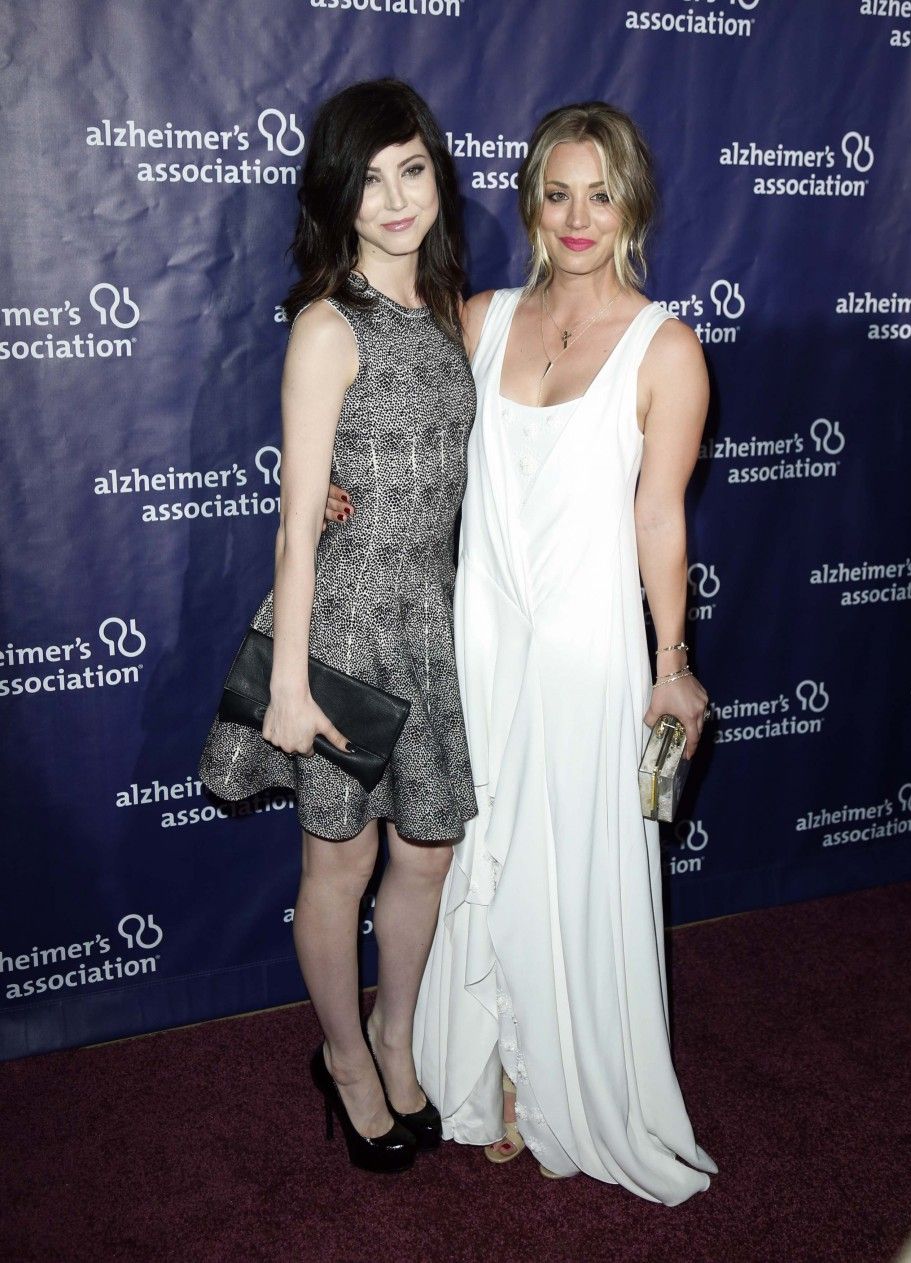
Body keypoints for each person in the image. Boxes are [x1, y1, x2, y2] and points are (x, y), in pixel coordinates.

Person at [410, 101, 718, 1202]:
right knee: (477, 846)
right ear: (530, 199)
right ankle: (482, 1067)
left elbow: (656, 520)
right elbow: (393, 406)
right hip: (479, 633)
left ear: (629, 201)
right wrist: (338, 478)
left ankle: (564, 1085)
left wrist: (669, 661)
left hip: (588, 647)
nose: (577, 216)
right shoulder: (480, 318)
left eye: (599, 193)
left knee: (565, 862)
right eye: (557, 191)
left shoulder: (665, 347)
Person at [199, 79, 477, 1174]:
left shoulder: (451, 312)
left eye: (410, 169)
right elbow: (295, 523)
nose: (394, 197)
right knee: (339, 865)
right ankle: (346, 1060)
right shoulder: (326, 325)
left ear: (435, 177)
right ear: (337, 196)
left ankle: (396, 1038)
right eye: (368, 177)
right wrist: (290, 685)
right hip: (347, 624)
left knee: (427, 854)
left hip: (432, 620)